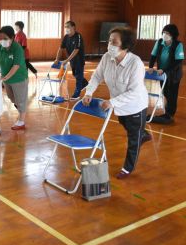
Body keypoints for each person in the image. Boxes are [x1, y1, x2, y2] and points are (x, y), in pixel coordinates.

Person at [83, 27, 152, 179]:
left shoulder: (135, 63)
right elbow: (96, 76)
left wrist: (112, 102)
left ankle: (128, 168)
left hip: (135, 106)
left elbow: (134, 92)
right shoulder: (107, 57)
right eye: (109, 41)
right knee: (124, 122)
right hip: (119, 106)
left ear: (125, 45)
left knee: (133, 139)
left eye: (114, 42)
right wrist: (89, 93)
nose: (110, 45)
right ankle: (143, 133)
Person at [0, 26, 28, 131]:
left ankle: (21, 121)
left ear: (12, 37)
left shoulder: (17, 48)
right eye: (0, 38)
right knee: (11, 97)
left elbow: (16, 66)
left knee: (20, 100)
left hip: (18, 78)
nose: (2, 40)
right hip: (6, 78)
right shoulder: (0, 47)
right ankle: (21, 110)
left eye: (5, 38)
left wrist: (5, 77)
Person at [148, 24, 184, 124]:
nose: (165, 35)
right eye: (164, 32)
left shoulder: (178, 45)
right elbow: (153, 55)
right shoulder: (159, 42)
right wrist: (151, 67)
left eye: (167, 33)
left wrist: (164, 70)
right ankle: (167, 112)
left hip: (173, 74)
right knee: (165, 92)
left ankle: (170, 114)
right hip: (162, 74)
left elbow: (178, 61)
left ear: (173, 34)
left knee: (172, 93)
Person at [54, 21, 88, 100]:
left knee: (79, 77)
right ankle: (85, 83)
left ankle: (77, 94)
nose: (66, 28)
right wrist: (57, 59)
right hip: (72, 60)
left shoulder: (78, 36)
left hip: (79, 59)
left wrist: (67, 60)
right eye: (65, 27)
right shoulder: (66, 37)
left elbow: (76, 50)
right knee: (75, 74)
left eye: (68, 26)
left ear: (73, 27)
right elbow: (61, 48)